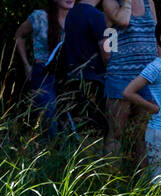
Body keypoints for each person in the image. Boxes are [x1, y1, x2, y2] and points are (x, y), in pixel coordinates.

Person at [121, 15, 161, 181]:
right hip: (160, 130)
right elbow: (128, 92)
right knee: (160, 180)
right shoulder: (155, 67)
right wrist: (152, 107)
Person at [102, 0, 157, 159]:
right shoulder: (110, 2)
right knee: (116, 132)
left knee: (142, 135)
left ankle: (143, 180)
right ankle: (111, 178)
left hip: (147, 77)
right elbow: (119, 24)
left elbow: (156, 35)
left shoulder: (148, 2)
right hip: (120, 75)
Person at [14, 0, 72, 134]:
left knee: (68, 123)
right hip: (43, 72)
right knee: (48, 121)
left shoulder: (76, 20)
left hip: (67, 75)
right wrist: (26, 65)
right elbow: (19, 36)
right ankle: (45, 151)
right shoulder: (40, 17)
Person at [56, 0, 107, 136]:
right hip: (94, 82)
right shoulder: (98, 16)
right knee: (95, 131)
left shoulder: (71, 14)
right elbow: (107, 52)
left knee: (77, 130)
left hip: (72, 80)